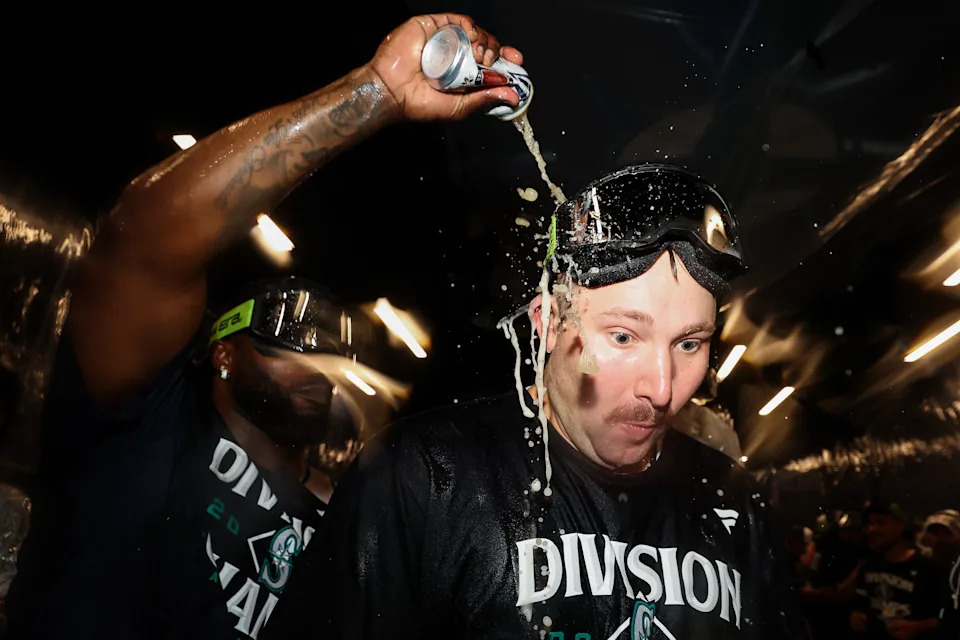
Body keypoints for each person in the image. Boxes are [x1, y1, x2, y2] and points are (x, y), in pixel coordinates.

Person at [5, 13, 523, 640]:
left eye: (333, 343)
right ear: (224, 351)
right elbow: (143, 235)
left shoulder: (349, 518)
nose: (318, 360)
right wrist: (378, 92)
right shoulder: (148, 423)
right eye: (291, 333)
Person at [286, 164, 808, 639]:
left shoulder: (735, 502)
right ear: (549, 323)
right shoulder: (424, 475)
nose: (662, 388)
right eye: (623, 336)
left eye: (689, 344)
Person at [849, 502, 946, 639]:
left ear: (901, 525)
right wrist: (856, 615)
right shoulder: (869, 565)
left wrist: (919, 626)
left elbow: (949, 617)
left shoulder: (929, 567)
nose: (872, 529)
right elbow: (860, 603)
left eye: (881, 523)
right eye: (868, 524)